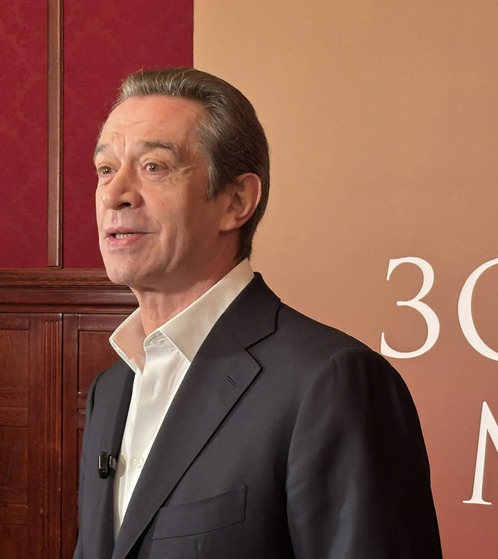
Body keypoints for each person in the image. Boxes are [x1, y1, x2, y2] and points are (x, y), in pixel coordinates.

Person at [74, 67, 441, 559]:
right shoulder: (111, 389)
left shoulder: (330, 382)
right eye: (105, 169)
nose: (114, 194)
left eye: (154, 166)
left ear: (237, 200)